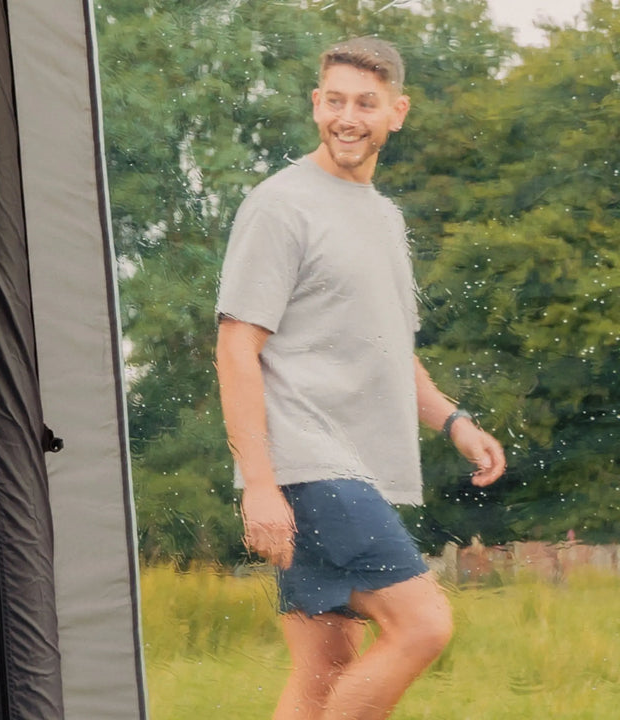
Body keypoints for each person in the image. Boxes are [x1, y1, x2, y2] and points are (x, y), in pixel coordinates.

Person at [215, 36, 506, 720]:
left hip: (351, 468)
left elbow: (389, 352)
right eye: (336, 101)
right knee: (424, 625)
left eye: (366, 104)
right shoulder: (281, 205)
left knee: (323, 672)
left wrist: (454, 422)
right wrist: (259, 484)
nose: (349, 117)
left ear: (396, 112)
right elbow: (235, 346)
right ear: (317, 105)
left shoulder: (383, 218)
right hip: (308, 466)